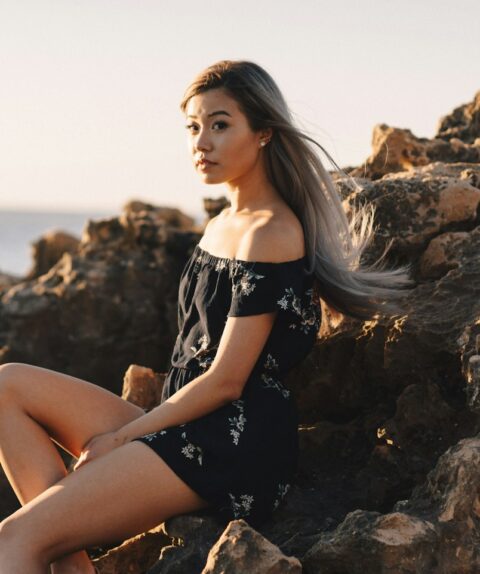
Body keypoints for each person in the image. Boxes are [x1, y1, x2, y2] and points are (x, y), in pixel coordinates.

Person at [0, 60, 412, 573]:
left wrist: (121, 438)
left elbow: (225, 382)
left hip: (234, 445)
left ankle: (47, 541)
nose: (202, 143)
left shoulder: (271, 232)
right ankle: (63, 549)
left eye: (220, 125)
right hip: (187, 422)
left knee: (14, 538)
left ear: (263, 132)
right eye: (194, 127)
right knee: (7, 386)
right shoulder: (222, 224)